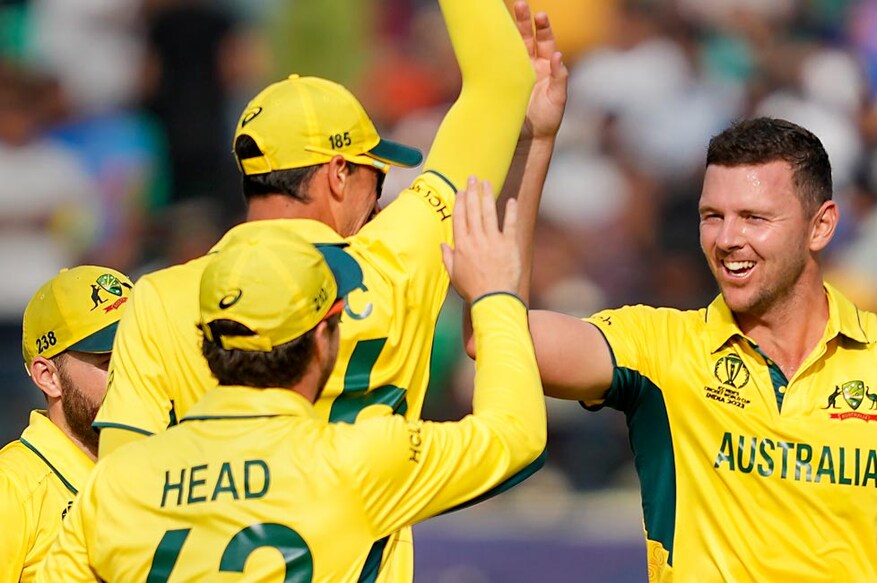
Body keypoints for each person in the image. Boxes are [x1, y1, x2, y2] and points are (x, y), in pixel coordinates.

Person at [490, 117, 877, 582]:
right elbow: (496, 334)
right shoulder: (660, 347)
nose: (728, 239)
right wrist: (536, 142)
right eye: (712, 216)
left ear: (821, 226)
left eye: (754, 217)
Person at [92, 2, 564, 579]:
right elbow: (503, 83)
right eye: (376, 173)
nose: (382, 197)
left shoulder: (161, 296)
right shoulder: (399, 256)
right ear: (339, 173)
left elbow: (118, 484)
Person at [41, 188, 546, 580]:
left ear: (207, 340)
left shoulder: (115, 483)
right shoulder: (358, 460)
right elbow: (517, 433)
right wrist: (495, 296)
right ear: (323, 338)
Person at [0, 266, 133, 581]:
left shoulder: (162, 468)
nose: (132, 374)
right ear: (48, 377)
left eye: (140, 353)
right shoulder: (12, 488)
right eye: (109, 361)